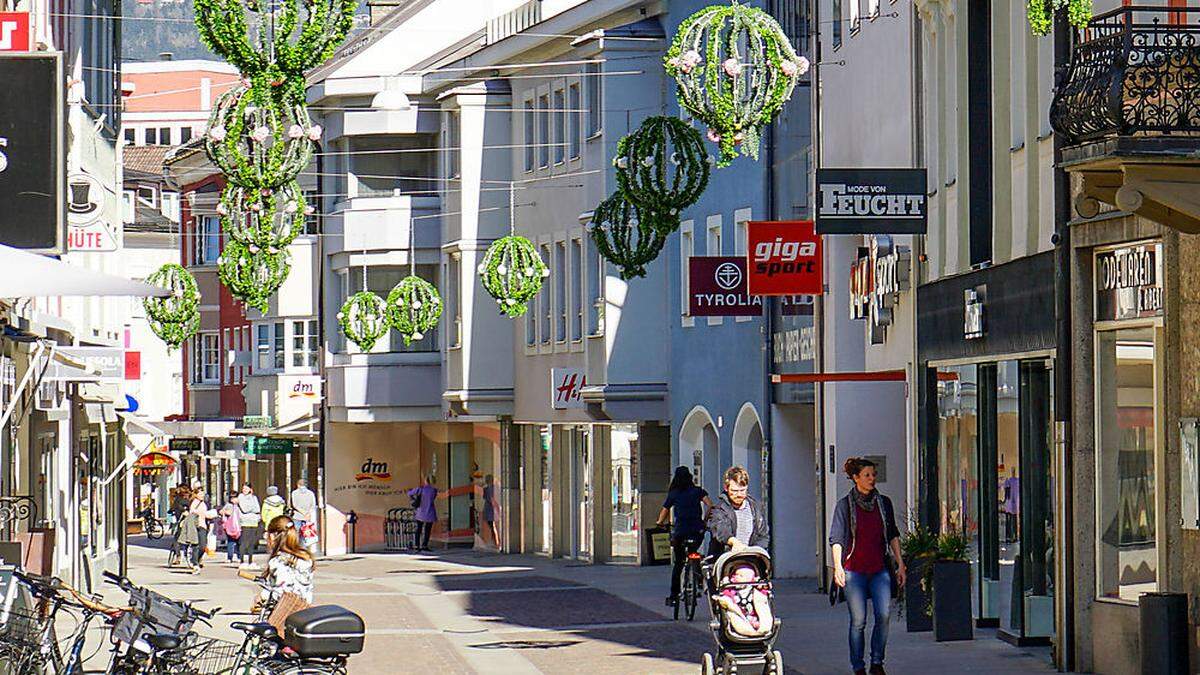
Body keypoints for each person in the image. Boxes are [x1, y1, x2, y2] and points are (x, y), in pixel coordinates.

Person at [829, 457, 905, 675]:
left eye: (873, 475)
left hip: (879, 569)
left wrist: (900, 564)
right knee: (859, 621)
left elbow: (892, 535)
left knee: (884, 615)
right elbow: (836, 539)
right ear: (855, 478)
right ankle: (858, 666)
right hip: (854, 572)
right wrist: (838, 567)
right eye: (867, 475)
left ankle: (877, 662)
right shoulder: (845, 505)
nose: (872, 479)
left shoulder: (883, 503)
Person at [656, 466, 713, 607]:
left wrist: (659, 523)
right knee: (693, 552)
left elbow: (664, 511)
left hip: (680, 532)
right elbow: (710, 505)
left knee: (679, 563)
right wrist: (705, 521)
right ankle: (698, 580)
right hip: (697, 530)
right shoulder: (698, 491)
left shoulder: (674, 494)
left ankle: (674, 596)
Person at [252, 515, 315, 610]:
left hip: (286, 611)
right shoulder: (305, 557)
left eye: (267, 534)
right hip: (304, 609)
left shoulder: (278, 561)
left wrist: (262, 597)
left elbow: (281, 589)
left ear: (273, 536)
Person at [707, 466, 769, 557]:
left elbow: (763, 535)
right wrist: (734, 542)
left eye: (742, 490)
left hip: (752, 558)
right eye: (735, 491)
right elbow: (721, 530)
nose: (739, 494)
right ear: (726, 488)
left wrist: (756, 552)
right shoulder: (719, 509)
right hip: (727, 559)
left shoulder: (756, 508)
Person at [715, 562, 774, 637]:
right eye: (736, 574)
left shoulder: (754, 588)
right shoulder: (731, 589)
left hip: (752, 613)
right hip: (739, 614)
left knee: (760, 614)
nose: (736, 576)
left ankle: (760, 627)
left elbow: (763, 594)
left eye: (741, 576)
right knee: (734, 616)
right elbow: (726, 595)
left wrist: (764, 587)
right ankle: (747, 629)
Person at [408, 475, 438, 551]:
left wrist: (413, 497)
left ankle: (417, 545)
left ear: (426, 481)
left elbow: (409, 493)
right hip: (430, 512)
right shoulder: (434, 490)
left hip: (420, 511)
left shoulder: (420, 489)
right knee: (428, 530)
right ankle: (425, 545)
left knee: (418, 529)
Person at [188, 488, 215, 574]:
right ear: (196, 494)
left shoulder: (203, 503)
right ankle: (195, 564)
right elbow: (192, 513)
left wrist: (209, 515)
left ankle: (196, 559)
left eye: (203, 494)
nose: (202, 496)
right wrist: (202, 513)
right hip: (196, 526)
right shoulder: (194, 503)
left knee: (203, 546)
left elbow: (205, 514)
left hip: (203, 526)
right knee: (196, 545)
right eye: (200, 494)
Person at [237, 483, 262, 569]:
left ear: (250, 489)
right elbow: (244, 509)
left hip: (254, 521)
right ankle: (242, 561)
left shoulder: (254, 497)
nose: (244, 490)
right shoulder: (240, 497)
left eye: (246, 488)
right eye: (243, 488)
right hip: (245, 521)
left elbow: (258, 509)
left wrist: (252, 509)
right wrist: (252, 508)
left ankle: (250, 561)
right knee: (244, 542)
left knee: (252, 542)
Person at [290, 479, 318, 551]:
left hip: (297, 516)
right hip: (307, 517)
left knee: (297, 533)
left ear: (298, 485)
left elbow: (294, 505)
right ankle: (305, 548)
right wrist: (308, 513)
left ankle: (297, 548)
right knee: (306, 534)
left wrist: (303, 512)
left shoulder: (294, 493)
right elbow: (313, 505)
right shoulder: (311, 493)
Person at [219, 492, 242, 564]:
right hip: (230, 526)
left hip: (239, 526)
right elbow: (221, 511)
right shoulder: (228, 505)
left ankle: (239, 556)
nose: (233, 499)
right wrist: (226, 512)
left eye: (235, 497)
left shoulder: (240, 505)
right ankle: (230, 557)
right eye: (232, 498)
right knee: (230, 542)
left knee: (239, 542)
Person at [481, 474, 499, 549]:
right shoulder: (493, 488)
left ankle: (494, 542)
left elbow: (485, 497)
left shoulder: (486, 488)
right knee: (493, 526)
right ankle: (495, 542)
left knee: (492, 526)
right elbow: (492, 499)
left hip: (488, 509)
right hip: (491, 509)